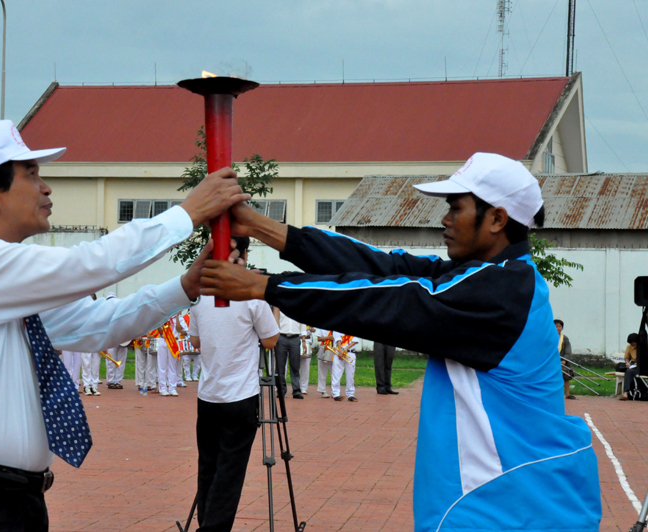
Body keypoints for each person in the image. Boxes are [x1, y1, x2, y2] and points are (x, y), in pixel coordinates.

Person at [200, 152, 601, 532]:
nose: (444, 219)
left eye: (456, 207)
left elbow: (395, 299)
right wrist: (258, 226)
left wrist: (264, 286)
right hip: (502, 504)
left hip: (506, 508)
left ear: (496, 218)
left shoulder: (502, 289)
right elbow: (383, 267)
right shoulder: (491, 277)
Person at [0, 119, 249, 532]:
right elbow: (91, 263)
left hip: (3, 500)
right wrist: (187, 214)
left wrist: (186, 286)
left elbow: (97, 323)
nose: (46, 188)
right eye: (31, 175)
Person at [188, 236, 280, 532]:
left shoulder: (202, 292)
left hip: (209, 395)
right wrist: (271, 304)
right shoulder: (250, 292)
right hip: (240, 397)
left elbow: (196, 340)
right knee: (230, 471)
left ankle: (207, 523)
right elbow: (270, 340)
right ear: (244, 253)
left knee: (208, 468)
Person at [275, 310, 306, 399]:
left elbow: (302, 324)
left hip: (295, 338)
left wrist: (303, 340)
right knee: (280, 367)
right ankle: (281, 390)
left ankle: (296, 390)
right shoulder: (280, 307)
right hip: (281, 337)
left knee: (295, 366)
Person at [156, 315, 181, 396]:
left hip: (174, 341)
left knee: (172, 366)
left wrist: (177, 317)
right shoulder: (163, 316)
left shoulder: (179, 317)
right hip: (163, 340)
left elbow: (179, 329)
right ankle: (163, 388)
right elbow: (160, 331)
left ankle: (172, 388)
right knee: (162, 366)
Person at [331, 333, 359, 402]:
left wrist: (346, 348)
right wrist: (340, 350)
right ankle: (336, 394)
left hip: (350, 352)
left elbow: (355, 340)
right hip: (338, 352)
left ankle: (350, 394)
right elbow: (338, 339)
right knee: (336, 374)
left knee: (350, 375)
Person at [555, 319, 576, 400]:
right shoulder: (549, 337)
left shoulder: (565, 338)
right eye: (556, 326)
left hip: (563, 361)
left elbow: (568, 350)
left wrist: (565, 360)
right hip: (551, 362)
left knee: (565, 378)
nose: (558, 328)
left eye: (559, 326)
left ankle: (567, 394)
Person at [314, 328, 335, 398]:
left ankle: (334, 391)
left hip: (334, 349)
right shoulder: (322, 326)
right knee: (322, 371)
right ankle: (322, 390)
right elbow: (318, 339)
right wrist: (327, 338)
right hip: (325, 348)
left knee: (334, 372)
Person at [620, 332, 640, 401]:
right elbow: (626, 358)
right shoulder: (629, 347)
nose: (632, 345)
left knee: (629, 371)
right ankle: (626, 392)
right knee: (627, 370)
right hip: (633, 365)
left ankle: (627, 392)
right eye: (630, 343)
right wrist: (627, 363)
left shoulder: (642, 347)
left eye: (633, 343)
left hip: (640, 366)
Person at [298, 326, 314, 394]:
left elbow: (315, 330)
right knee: (296, 367)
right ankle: (296, 386)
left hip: (307, 342)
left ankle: (304, 387)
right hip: (297, 340)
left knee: (306, 368)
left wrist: (312, 330)